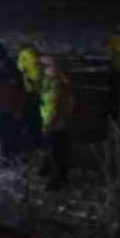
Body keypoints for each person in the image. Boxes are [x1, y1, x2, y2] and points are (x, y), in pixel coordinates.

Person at [40, 55, 74, 190]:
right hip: (57, 124)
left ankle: (57, 180)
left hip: (56, 125)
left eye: (43, 67)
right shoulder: (53, 82)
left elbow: (55, 108)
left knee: (57, 153)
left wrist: (48, 125)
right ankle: (59, 177)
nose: (41, 70)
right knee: (57, 152)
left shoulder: (56, 87)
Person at [15, 42, 43, 147]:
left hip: (29, 88)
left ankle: (31, 141)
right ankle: (38, 140)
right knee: (37, 116)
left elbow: (20, 68)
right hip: (38, 88)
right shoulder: (36, 54)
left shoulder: (23, 55)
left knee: (30, 116)